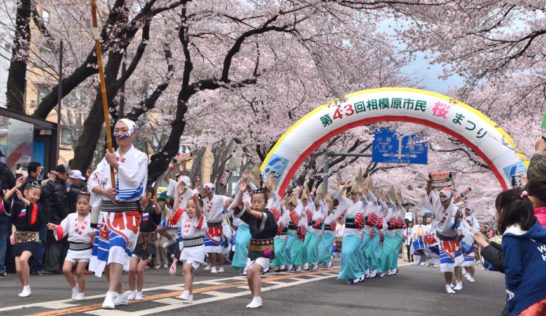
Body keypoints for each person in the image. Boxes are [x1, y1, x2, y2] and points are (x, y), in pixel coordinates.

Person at [88, 118, 148, 309]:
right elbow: (92, 181)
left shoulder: (140, 157)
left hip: (129, 212)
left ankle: (110, 293)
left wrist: (116, 165)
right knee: (106, 256)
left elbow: (135, 181)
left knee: (117, 247)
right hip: (108, 213)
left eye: (124, 130)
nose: (120, 133)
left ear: (133, 133)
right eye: (117, 130)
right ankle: (121, 291)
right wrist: (103, 191)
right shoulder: (107, 157)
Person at [498, 189, 546, 316]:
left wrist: (512, 302)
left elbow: (513, 272)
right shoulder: (538, 230)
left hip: (530, 297)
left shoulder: (511, 236)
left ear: (503, 211)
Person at [231, 177, 278, 308]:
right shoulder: (251, 215)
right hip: (253, 251)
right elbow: (238, 208)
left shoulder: (268, 215)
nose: (256, 204)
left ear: (265, 203)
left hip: (267, 249)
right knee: (249, 274)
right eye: (254, 202)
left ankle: (257, 298)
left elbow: (263, 217)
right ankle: (255, 297)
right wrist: (241, 192)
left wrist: (250, 210)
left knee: (255, 270)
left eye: (259, 202)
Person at [47, 192, 92, 300]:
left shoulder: (93, 218)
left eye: (85, 204)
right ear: (75, 204)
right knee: (66, 269)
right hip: (72, 248)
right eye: (79, 203)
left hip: (85, 248)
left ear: (90, 206)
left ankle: (81, 293)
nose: (81, 205)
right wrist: (55, 227)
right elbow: (62, 229)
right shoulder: (71, 217)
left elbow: (98, 233)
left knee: (79, 271)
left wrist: (94, 235)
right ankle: (74, 287)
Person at [5, 177, 45, 297]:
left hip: (32, 238)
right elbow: (6, 198)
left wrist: (23, 198)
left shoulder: (37, 207)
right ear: (26, 192)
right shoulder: (17, 205)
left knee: (23, 260)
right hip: (19, 238)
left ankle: (27, 287)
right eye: (34, 194)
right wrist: (16, 187)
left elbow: (33, 208)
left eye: (38, 195)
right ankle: (25, 287)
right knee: (18, 269)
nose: (36, 197)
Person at [425, 180, 464, 294]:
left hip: (454, 238)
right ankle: (448, 285)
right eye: (441, 196)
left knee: (457, 261)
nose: (442, 200)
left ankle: (459, 282)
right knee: (446, 263)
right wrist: (429, 184)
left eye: (444, 198)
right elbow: (429, 192)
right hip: (440, 237)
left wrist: (457, 219)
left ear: (450, 198)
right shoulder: (437, 201)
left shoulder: (455, 210)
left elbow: (455, 227)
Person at [128, 187, 162, 300]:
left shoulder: (151, 208)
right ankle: (132, 291)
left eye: (142, 194)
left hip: (148, 240)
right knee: (132, 269)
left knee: (139, 269)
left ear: (148, 195)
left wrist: (156, 203)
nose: (139, 197)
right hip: (137, 240)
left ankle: (139, 292)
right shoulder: (136, 209)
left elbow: (158, 213)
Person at [173, 193, 207, 304]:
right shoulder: (184, 216)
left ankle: (186, 291)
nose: (190, 209)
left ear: (199, 208)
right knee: (189, 273)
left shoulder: (200, 217)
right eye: (188, 206)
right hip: (187, 247)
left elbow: (197, 211)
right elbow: (175, 208)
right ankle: (190, 296)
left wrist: (196, 200)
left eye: (193, 206)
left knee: (186, 269)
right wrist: (178, 195)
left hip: (197, 248)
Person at [42, 165, 70, 274]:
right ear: (60, 174)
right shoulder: (58, 186)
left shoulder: (57, 185)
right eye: (66, 174)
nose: (67, 177)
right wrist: (66, 216)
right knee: (55, 242)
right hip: (56, 218)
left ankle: (52, 265)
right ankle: (52, 266)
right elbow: (60, 204)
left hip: (53, 217)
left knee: (54, 242)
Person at [202, 183, 228, 273]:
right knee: (208, 247)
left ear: (212, 190)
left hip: (217, 226)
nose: (206, 192)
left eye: (208, 190)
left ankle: (219, 266)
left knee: (217, 248)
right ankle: (210, 264)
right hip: (207, 226)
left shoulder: (219, 198)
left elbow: (227, 198)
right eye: (205, 190)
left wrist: (225, 207)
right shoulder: (204, 200)